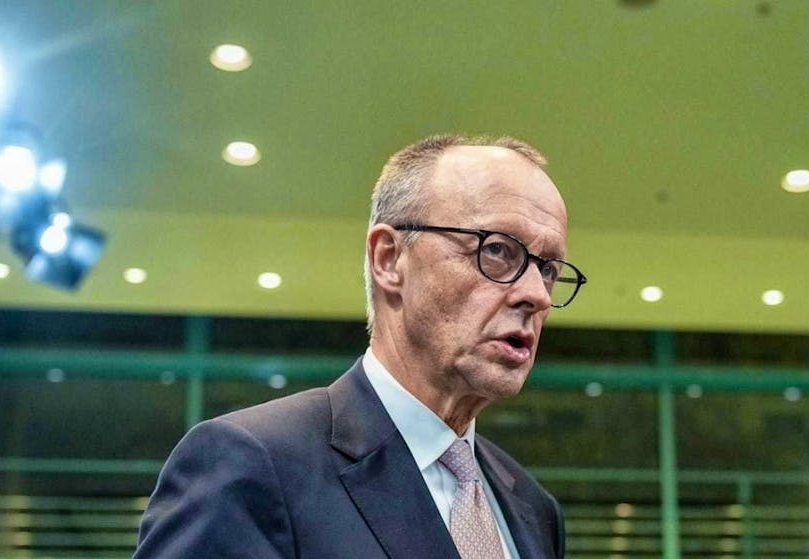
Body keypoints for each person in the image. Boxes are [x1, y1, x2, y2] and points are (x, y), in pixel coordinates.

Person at [134, 134, 587, 558]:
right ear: (389, 259)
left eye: (547, 268)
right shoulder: (250, 465)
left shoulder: (533, 508)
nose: (537, 294)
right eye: (498, 250)